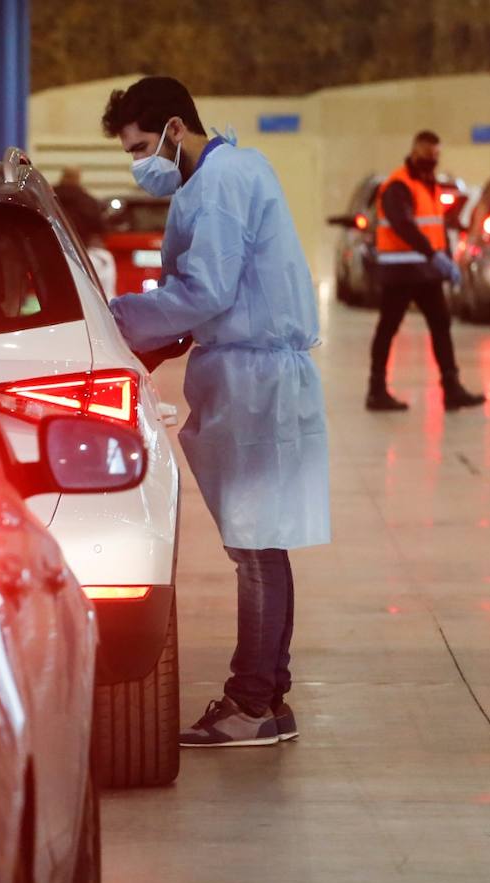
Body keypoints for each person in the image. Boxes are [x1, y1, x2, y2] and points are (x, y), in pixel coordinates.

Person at [102, 76, 329, 748]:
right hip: (247, 372)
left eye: (141, 147)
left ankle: (252, 703)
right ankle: (267, 696)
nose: (138, 164)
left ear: (175, 129)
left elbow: (202, 290)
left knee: (256, 548)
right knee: (260, 544)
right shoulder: (224, 174)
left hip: (254, 376)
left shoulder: (223, 182)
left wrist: (114, 321)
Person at [367, 130, 486, 412]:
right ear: (414, 151)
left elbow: (436, 227)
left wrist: (445, 258)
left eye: (435, 155)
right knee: (388, 328)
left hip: (426, 272)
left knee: (441, 325)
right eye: (427, 153)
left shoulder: (430, 185)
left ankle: (451, 387)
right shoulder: (399, 185)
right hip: (400, 271)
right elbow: (403, 224)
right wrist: (435, 256)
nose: (432, 159)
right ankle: (376, 390)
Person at [55, 166, 117, 298]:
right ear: (78, 179)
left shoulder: (50, 198)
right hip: (82, 253)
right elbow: (100, 227)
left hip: (53, 254)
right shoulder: (87, 201)